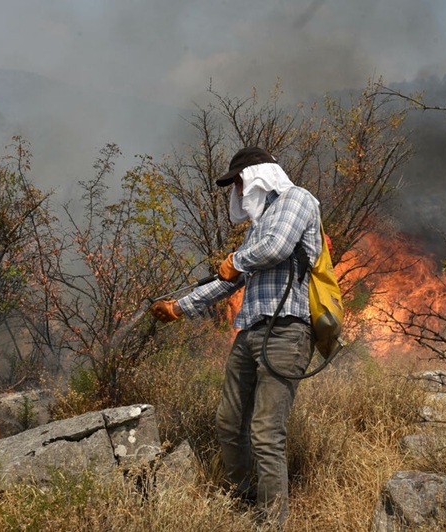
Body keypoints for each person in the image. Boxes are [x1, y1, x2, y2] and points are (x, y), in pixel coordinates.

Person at [150, 146, 323, 527]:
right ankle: (244, 498)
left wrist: (237, 261)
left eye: (240, 180)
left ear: (261, 175)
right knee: (229, 421)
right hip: (250, 333)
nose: (239, 190)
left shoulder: (298, 200)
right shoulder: (258, 227)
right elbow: (225, 282)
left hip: (287, 331)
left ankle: (272, 521)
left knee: (265, 433)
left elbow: (276, 248)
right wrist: (178, 307)